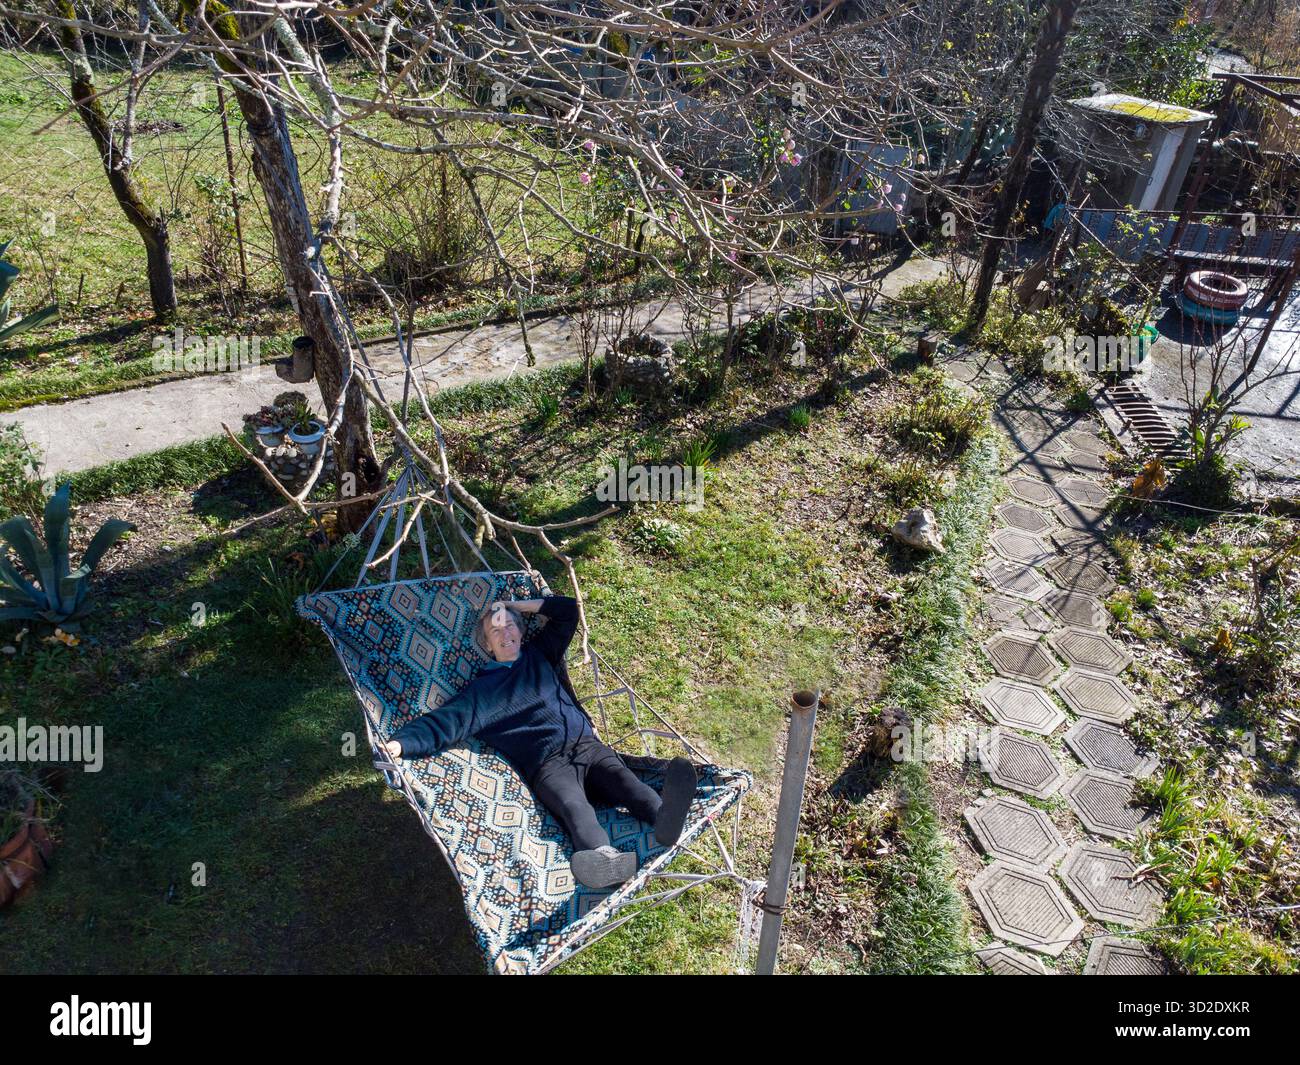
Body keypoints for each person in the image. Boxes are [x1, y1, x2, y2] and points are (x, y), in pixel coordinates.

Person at [385, 595, 697, 889]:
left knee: (627, 783)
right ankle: (605, 863)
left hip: (587, 748)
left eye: (509, 625)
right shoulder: (482, 693)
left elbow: (567, 611)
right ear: (487, 644)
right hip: (549, 768)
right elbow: (443, 723)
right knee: (577, 811)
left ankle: (664, 817)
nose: (505, 633)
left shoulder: (539, 654)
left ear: (520, 631)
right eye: (495, 631)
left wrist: (513, 605)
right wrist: (399, 745)